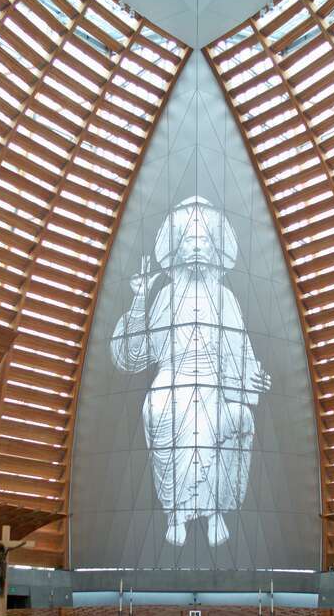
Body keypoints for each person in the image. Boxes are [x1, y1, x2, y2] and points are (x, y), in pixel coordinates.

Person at [110, 197, 271, 547]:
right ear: (177, 248)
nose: (196, 247)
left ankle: (213, 512)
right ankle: (175, 513)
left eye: (203, 240)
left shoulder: (226, 298)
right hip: (172, 377)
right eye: (188, 240)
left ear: (214, 248)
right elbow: (135, 355)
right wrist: (140, 298)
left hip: (213, 382)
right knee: (157, 409)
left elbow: (241, 354)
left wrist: (254, 379)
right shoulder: (166, 295)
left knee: (234, 418)